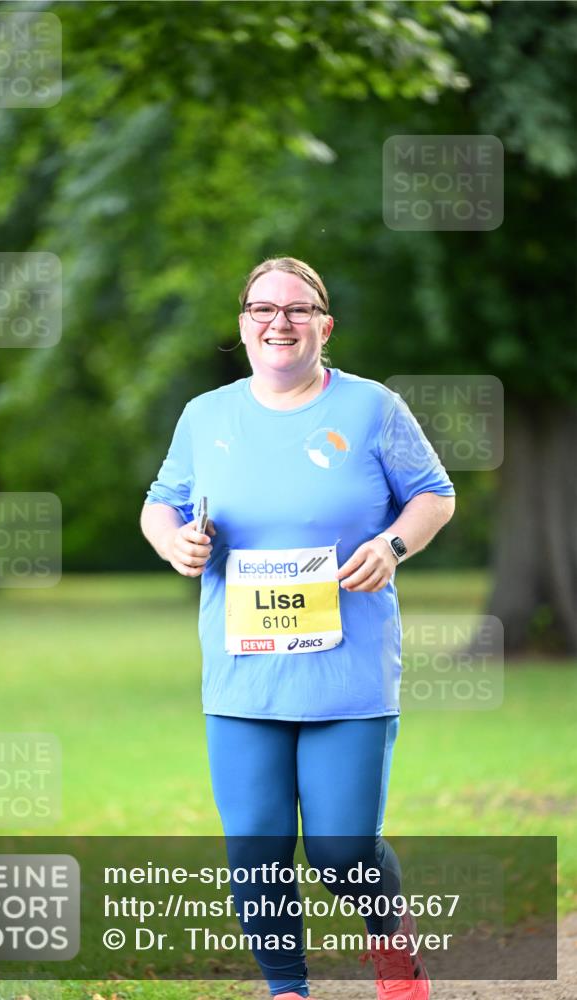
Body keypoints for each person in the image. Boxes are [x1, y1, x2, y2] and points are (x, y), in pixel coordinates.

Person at [141, 256, 455, 1000]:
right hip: (242, 674)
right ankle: (287, 989)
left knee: (343, 851)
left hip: (346, 671)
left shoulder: (372, 408)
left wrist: (391, 544)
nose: (278, 321)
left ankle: (391, 945)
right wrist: (173, 541)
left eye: (297, 308)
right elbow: (161, 504)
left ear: (324, 324)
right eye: (262, 308)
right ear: (243, 324)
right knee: (255, 852)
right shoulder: (206, 416)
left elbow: (434, 497)